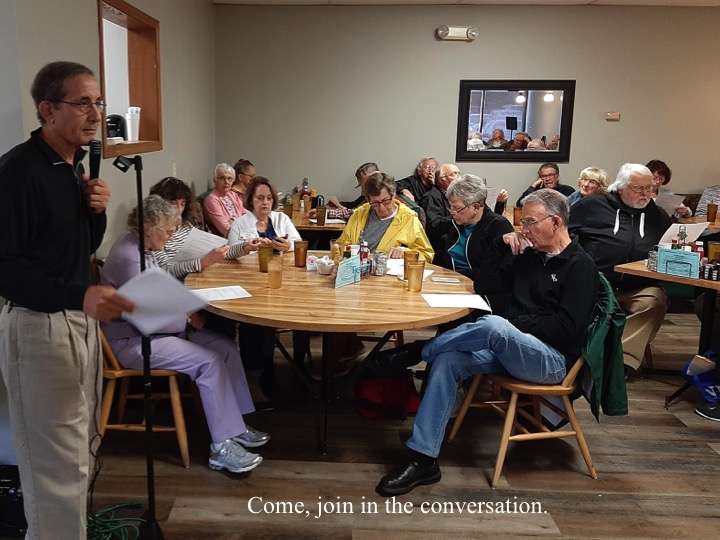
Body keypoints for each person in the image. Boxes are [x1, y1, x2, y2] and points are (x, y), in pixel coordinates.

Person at [376, 189, 598, 496]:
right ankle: (423, 458)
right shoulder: (529, 254)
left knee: (496, 326)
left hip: (552, 361)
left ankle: (416, 352)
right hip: (512, 348)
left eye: (531, 222)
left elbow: (567, 330)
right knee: (448, 359)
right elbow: (486, 285)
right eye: (523, 223)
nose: (524, 229)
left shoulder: (580, 266)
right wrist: (500, 244)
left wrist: (514, 324)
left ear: (556, 222)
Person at [0, 61, 136, 539]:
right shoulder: (19, 170)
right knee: (54, 472)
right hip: (39, 328)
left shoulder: (72, 168)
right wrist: (80, 293)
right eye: (83, 103)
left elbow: (74, 249)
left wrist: (94, 212)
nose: (95, 114)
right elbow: (7, 269)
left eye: (97, 103)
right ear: (47, 110)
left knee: (80, 453)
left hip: (76, 322)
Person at [101, 196, 269, 473]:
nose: (170, 237)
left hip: (156, 331)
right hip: (132, 341)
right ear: (148, 227)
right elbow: (149, 316)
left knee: (225, 347)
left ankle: (235, 425)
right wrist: (188, 319)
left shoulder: (144, 247)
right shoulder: (129, 259)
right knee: (209, 361)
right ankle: (220, 448)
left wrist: (187, 313)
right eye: (167, 231)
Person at [569, 163, 672, 371]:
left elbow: (668, 247)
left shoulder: (658, 215)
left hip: (638, 286)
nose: (646, 194)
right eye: (639, 189)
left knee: (655, 301)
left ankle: (619, 363)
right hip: (595, 283)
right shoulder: (591, 207)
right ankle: (587, 355)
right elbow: (560, 233)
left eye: (649, 188)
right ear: (621, 187)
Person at [337, 172, 433, 262]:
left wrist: (405, 252)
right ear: (368, 200)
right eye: (375, 203)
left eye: (386, 201)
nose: (381, 207)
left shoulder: (408, 218)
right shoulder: (360, 213)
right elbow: (341, 245)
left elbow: (427, 255)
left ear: (394, 195)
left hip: (388, 275)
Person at [420, 164, 508, 260]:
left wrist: (499, 204)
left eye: (457, 208)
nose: (452, 212)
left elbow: (492, 269)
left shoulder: (498, 225)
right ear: (441, 180)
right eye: (454, 174)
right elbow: (433, 228)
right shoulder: (457, 223)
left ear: (476, 207)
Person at [228, 176, 302, 251]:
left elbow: (298, 244)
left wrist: (289, 246)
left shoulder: (282, 218)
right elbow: (230, 251)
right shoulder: (239, 223)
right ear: (250, 200)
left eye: (269, 198)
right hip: (251, 262)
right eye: (260, 198)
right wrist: (247, 248)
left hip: (280, 262)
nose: (265, 203)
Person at [203, 163, 248, 237]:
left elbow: (247, 216)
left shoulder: (233, 195)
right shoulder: (212, 200)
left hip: (241, 234)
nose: (226, 182)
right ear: (215, 180)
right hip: (226, 239)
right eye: (222, 178)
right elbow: (225, 229)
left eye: (229, 178)